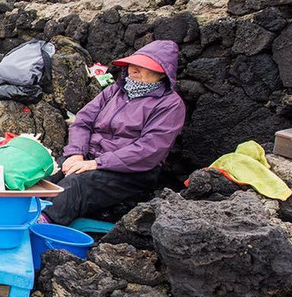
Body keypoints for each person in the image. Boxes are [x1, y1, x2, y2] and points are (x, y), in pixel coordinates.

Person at [40, 40, 186, 225]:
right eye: (134, 64)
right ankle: (12, 213)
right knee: (46, 173)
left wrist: (98, 163)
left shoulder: (170, 105)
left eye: (144, 66)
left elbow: (149, 149)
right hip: (89, 157)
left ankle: (38, 226)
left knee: (75, 185)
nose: (134, 69)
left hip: (130, 171)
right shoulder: (116, 90)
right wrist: (76, 153)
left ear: (161, 73)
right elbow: (83, 122)